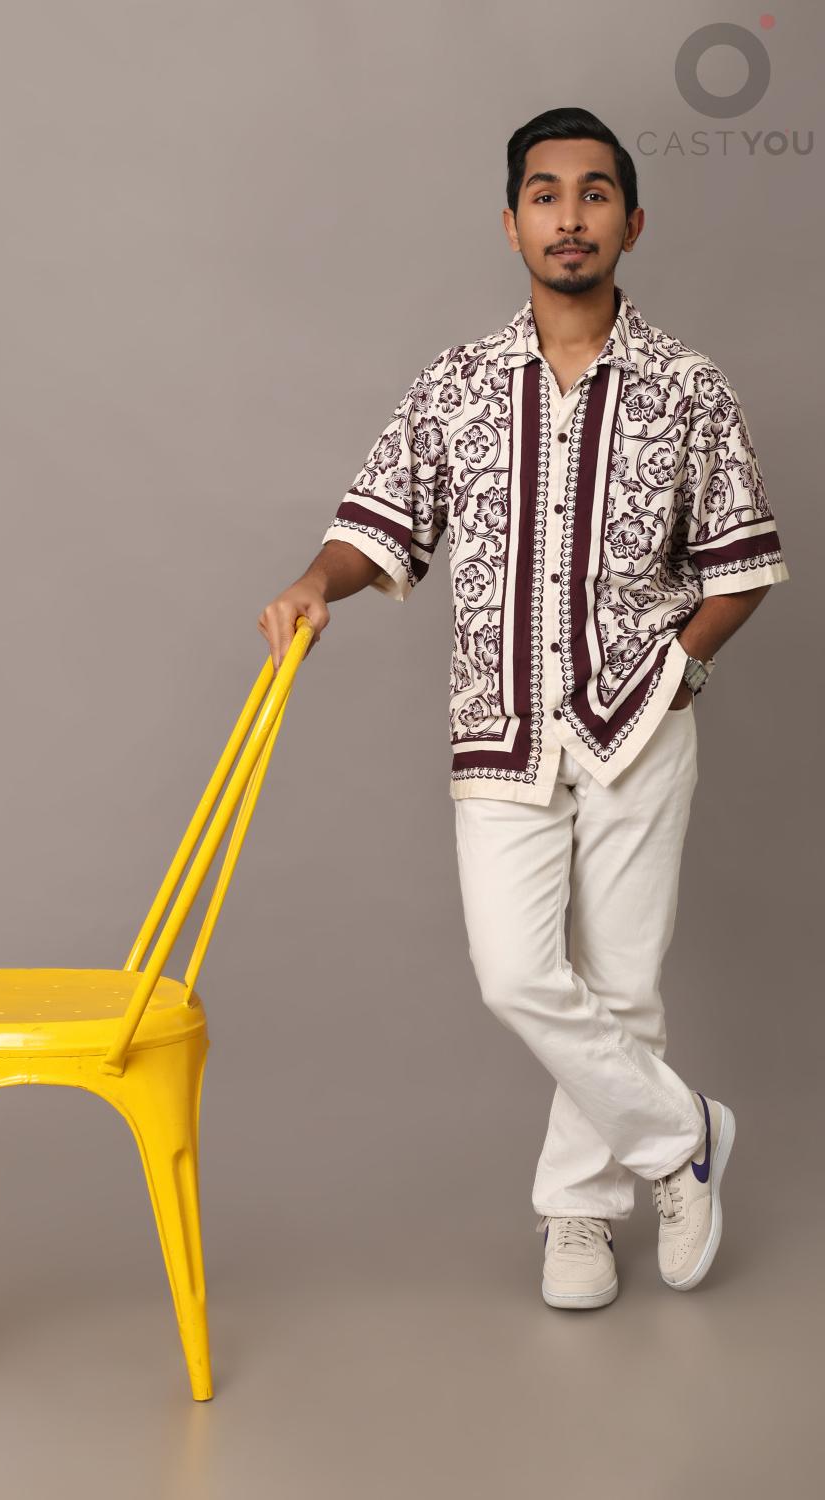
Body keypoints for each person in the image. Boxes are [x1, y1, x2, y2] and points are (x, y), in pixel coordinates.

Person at [256, 107, 790, 1310]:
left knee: (622, 981)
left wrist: (678, 671)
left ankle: (577, 1214)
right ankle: (685, 1138)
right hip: (499, 729)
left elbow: (742, 563)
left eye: (594, 194)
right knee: (516, 973)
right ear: (510, 224)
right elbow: (377, 525)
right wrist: (313, 582)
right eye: (545, 195)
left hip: (641, 724)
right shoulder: (455, 386)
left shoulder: (689, 386)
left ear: (631, 222)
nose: (569, 217)